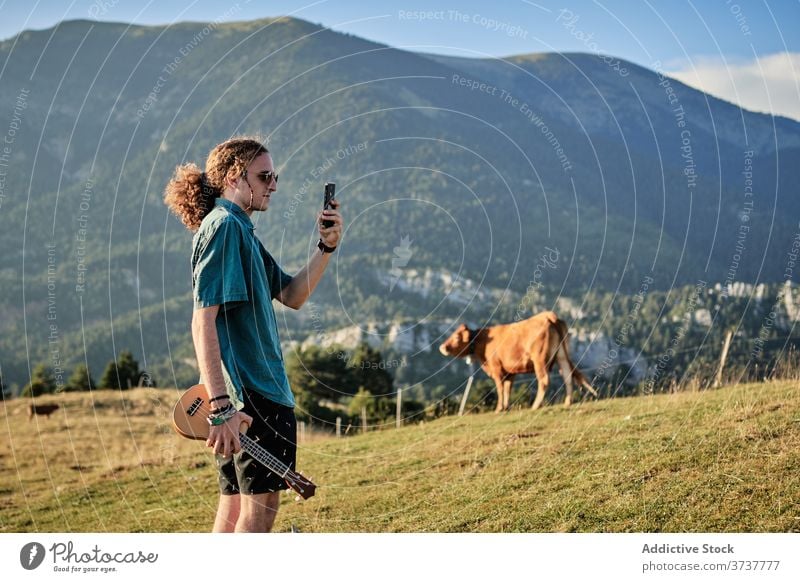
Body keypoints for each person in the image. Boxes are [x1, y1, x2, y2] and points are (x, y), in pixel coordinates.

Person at [163, 136, 343, 532]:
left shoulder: (238, 230)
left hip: (240, 401)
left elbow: (292, 295)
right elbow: (202, 320)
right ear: (233, 177)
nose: (274, 184)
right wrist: (224, 407)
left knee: (231, 515)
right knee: (256, 522)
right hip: (252, 399)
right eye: (264, 176)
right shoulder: (225, 227)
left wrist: (326, 247)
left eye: (274, 176)